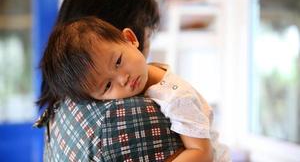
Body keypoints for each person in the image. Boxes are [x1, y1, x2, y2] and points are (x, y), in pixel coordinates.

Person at [35, 0, 184, 161]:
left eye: (119, 62)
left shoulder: (66, 101)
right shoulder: (129, 114)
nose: (123, 78)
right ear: (129, 35)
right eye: (148, 33)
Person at [41, 16, 231, 162]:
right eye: (108, 86)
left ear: (130, 39)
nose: (123, 78)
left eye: (117, 62)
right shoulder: (139, 81)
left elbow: (201, 152)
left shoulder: (177, 97)